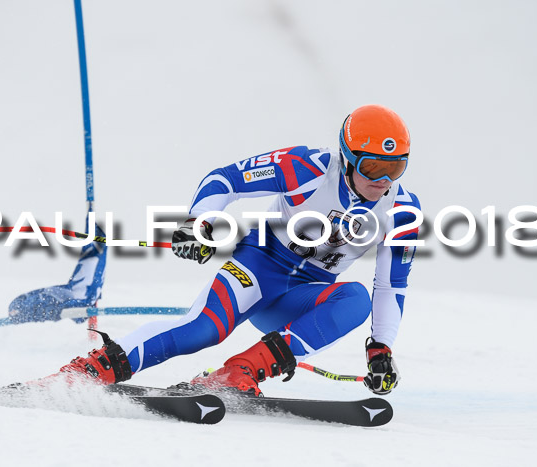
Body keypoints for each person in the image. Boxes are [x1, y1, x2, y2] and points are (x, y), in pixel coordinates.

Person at [46, 104, 421, 397]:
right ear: (348, 157)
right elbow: (226, 179)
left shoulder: (402, 213)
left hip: (301, 296)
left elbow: (391, 286)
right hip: (259, 266)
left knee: (355, 299)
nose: (383, 181)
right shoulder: (305, 167)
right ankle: (93, 369)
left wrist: (381, 349)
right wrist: (200, 222)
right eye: (372, 168)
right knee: (202, 331)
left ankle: (238, 371)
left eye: (396, 168)